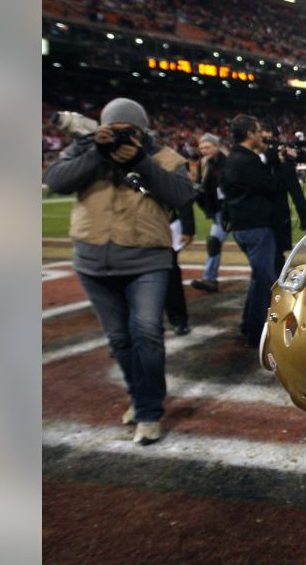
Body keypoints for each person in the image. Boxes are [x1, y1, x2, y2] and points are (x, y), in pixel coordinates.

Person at [43, 98, 195, 444]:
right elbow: (56, 181)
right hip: (92, 260)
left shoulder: (165, 157)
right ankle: (139, 397)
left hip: (148, 259)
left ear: (143, 131)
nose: (123, 135)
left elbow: (181, 194)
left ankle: (148, 411)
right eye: (116, 129)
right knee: (119, 338)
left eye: (131, 130)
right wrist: (95, 152)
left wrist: (141, 161)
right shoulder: (86, 149)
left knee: (147, 332)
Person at [221, 114, 280, 348]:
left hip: (242, 226)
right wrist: (276, 163)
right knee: (266, 281)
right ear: (248, 134)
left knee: (258, 278)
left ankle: (248, 323)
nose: (260, 135)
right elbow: (271, 187)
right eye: (256, 130)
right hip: (256, 226)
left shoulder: (232, 158)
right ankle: (257, 331)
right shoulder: (249, 160)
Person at [263, 120, 306, 272]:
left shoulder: (260, 161)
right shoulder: (276, 163)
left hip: (266, 217)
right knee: (274, 258)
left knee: (270, 258)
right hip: (273, 216)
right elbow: (296, 192)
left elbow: (296, 192)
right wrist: (305, 218)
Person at [191, 133, 227, 293]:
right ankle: (210, 279)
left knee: (250, 246)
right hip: (219, 211)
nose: (204, 151)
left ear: (216, 146)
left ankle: (267, 277)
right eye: (201, 148)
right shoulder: (204, 164)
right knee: (213, 242)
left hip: (235, 210)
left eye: (207, 147)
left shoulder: (228, 161)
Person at [162, 201, 194, 335]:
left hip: (164, 227)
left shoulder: (162, 179)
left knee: (170, 275)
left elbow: (181, 196)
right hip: (130, 230)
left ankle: (178, 318)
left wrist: (188, 229)